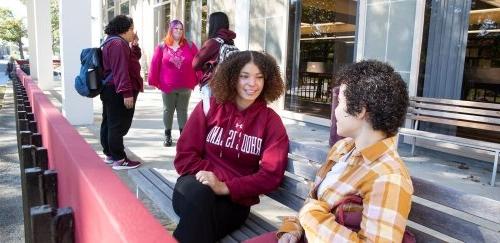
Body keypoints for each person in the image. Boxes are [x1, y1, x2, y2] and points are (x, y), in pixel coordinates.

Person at [246, 60, 413, 243]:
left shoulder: (388, 177)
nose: (335, 111)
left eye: (340, 102)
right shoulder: (343, 149)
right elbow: (313, 201)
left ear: (360, 111)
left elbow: (312, 211)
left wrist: (311, 217)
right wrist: (293, 229)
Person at [172, 51, 289, 243]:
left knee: (200, 223)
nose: (253, 83)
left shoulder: (270, 122)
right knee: (202, 197)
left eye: (259, 77)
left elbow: (271, 175)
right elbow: (184, 157)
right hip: (194, 187)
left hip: (234, 201)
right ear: (232, 77)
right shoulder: (210, 107)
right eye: (245, 76)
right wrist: (211, 179)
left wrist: (224, 186)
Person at [100, 15, 143, 170]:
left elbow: (133, 58)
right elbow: (120, 70)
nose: (133, 31)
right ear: (124, 29)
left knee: (109, 122)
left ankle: (110, 154)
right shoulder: (118, 44)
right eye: (131, 28)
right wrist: (127, 93)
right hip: (118, 90)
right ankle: (119, 159)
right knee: (118, 125)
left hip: (111, 89)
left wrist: (135, 44)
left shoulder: (113, 41)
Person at [148, 20, 199, 147]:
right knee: (168, 110)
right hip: (167, 85)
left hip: (185, 85)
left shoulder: (190, 45)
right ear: (170, 30)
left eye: (181, 29)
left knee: (182, 110)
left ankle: (183, 137)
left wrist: (201, 78)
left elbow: (199, 61)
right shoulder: (162, 46)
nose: (178, 31)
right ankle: (167, 135)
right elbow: (155, 64)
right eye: (176, 28)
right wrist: (153, 81)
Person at [192, 11, 236, 114]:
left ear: (213, 24)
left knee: (209, 117)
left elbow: (195, 64)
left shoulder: (213, 42)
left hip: (212, 85)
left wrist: (205, 66)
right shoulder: (231, 42)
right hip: (227, 85)